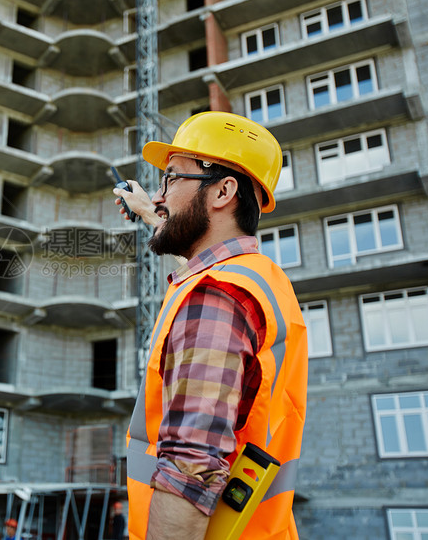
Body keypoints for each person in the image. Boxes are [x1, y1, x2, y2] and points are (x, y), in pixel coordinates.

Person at [114, 112, 307, 539]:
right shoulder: (258, 279)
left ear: (223, 190)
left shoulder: (216, 296)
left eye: (170, 179)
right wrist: (150, 213)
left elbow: (190, 468)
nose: (160, 195)